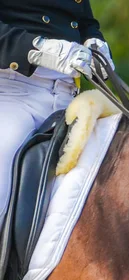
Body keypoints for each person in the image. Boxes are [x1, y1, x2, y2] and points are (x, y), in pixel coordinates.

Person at [0, 1, 113, 230]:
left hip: (70, 97)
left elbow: (83, 20)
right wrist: (37, 49)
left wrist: (94, 41)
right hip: (13, 94)